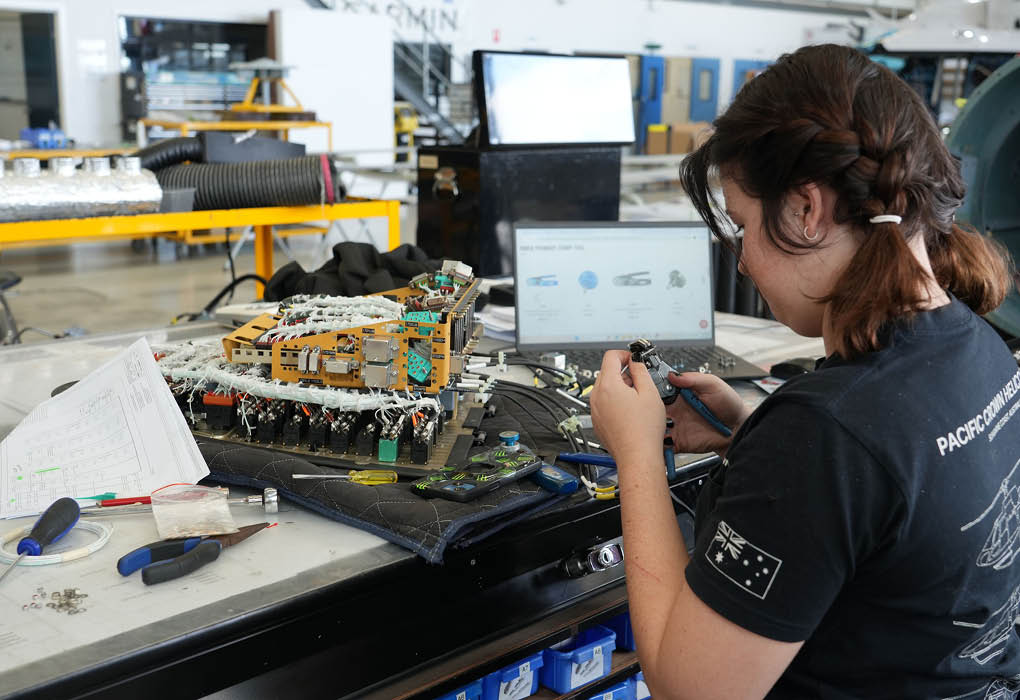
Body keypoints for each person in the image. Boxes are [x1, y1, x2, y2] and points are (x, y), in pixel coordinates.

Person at [589, 44, 1019, 699]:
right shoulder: (976, 343)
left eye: (743, 226)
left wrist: (638, 455)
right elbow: (899, 499)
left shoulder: (825, 437)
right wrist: (753, 435)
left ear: (806, 210)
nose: (743, 264)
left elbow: (691, 689)